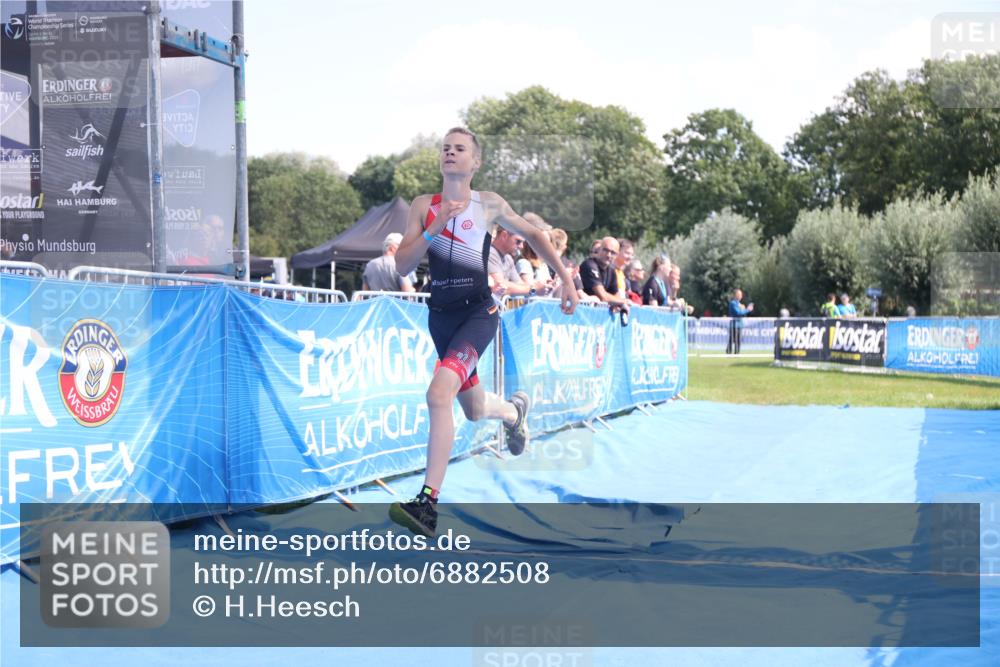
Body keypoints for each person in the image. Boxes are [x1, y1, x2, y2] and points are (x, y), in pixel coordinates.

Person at [390, 127, 578, 536]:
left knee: (438, 392)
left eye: (459, 149)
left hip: (478, 313)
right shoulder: (425, 206)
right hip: (441, 317)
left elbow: (535, 235)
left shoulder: (488, 204)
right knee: (473, 409)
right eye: (445, 148)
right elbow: (402, 266)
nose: (450, 154)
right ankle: (514, 412)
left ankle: (427, 503)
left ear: (475, 162)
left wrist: (565, 278)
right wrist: (433, 226)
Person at [579, 237, 631, 314]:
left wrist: (617, 302)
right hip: (582, 313)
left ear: (617, 255)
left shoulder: (612, 270)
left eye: (613, 253)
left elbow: (616, 295)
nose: (608, 255)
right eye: (605, 250)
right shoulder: (589, 265)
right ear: (599, 250)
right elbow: (603, 296)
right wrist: (623, 301)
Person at [726, 288, 753, 354]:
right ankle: (728, 352)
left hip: (739, 324)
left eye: (741, 295)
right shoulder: (733, 303)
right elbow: (738, 312)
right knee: (732, 339)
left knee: (738, 340)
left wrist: (745, 310)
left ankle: (737, 353)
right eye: (739, 294)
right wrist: (747, 310)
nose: (741, 296)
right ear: (736, 295)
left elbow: (742, 313)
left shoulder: (740, 304)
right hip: (734, 325)